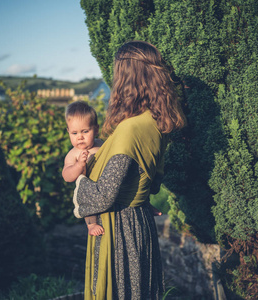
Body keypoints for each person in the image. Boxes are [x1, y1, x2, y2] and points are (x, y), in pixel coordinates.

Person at [72, 40, 186, 299]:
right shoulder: (154, 124)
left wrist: (79, 180)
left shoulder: (130, 129)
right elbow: (153, 181)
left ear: (126, 77)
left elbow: (104, 195)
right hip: (140, 223)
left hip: (117, 231)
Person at [62, 101, 105, 236]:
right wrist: (78, 165)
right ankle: (91, 225)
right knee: (86, 201)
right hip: (88, 189)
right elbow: (67, 176)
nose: (80, 137)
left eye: (85, 131)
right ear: (68, 132)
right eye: (74, 133)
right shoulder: (73, 154)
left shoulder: (101, 144)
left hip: (105, 185)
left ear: (96, 129)